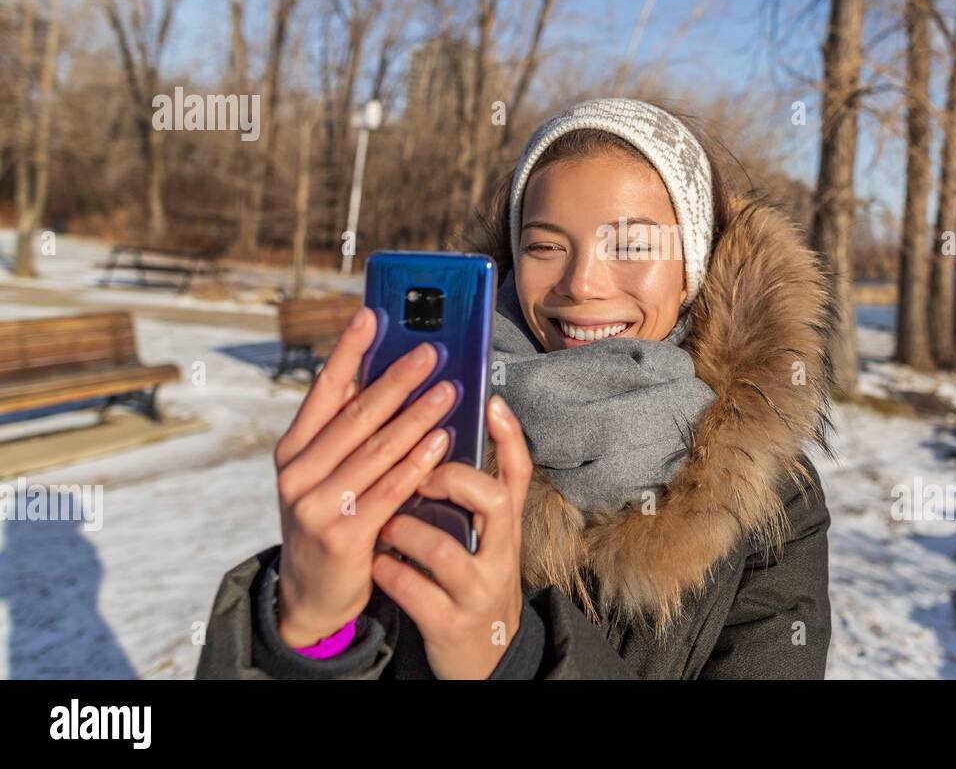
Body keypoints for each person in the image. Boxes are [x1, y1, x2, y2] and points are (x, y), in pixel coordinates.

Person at [196, 97, 836, 679]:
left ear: (692, 272)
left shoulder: (771, 498)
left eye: (633, 245)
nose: (582, 284)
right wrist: (309, 635)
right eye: (545, 246)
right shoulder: (426, 440)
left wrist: (518, 662)